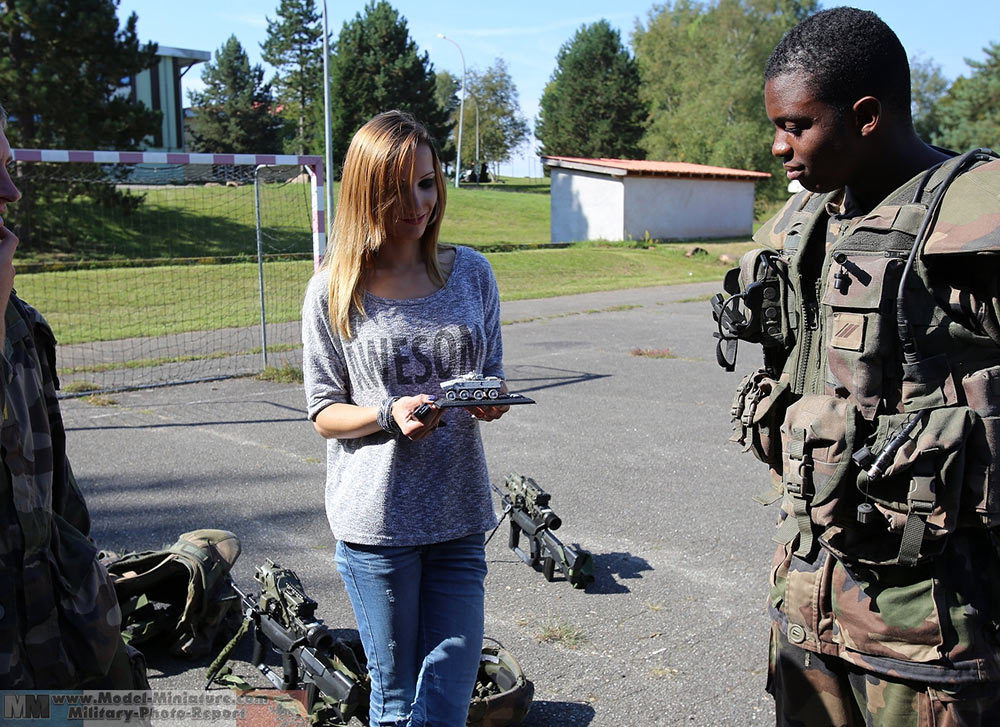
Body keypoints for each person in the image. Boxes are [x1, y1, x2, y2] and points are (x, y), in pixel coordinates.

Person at [721, 8, 1000, 725]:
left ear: (866, 115)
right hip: (808, 605)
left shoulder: (975, 222)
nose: (780, 146)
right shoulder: (804, 227)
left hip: (927, 631)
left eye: (796, 125)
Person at [301, 110, 509, 727]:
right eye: (398, 188)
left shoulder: (471, 272)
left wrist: (491, 400)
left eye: (427, 182)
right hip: (377, 525)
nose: (418, 202)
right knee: (396, 702)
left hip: (460, 511)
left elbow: (490, 372)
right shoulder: (334, 290)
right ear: (366, 193)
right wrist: (386, 416)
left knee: (448, 689)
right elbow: (323, 412)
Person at [0, 103, 140, 688]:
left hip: (56, 656)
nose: (10, 192)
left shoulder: (22, 326)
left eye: (8, 166)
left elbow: (61, 512)